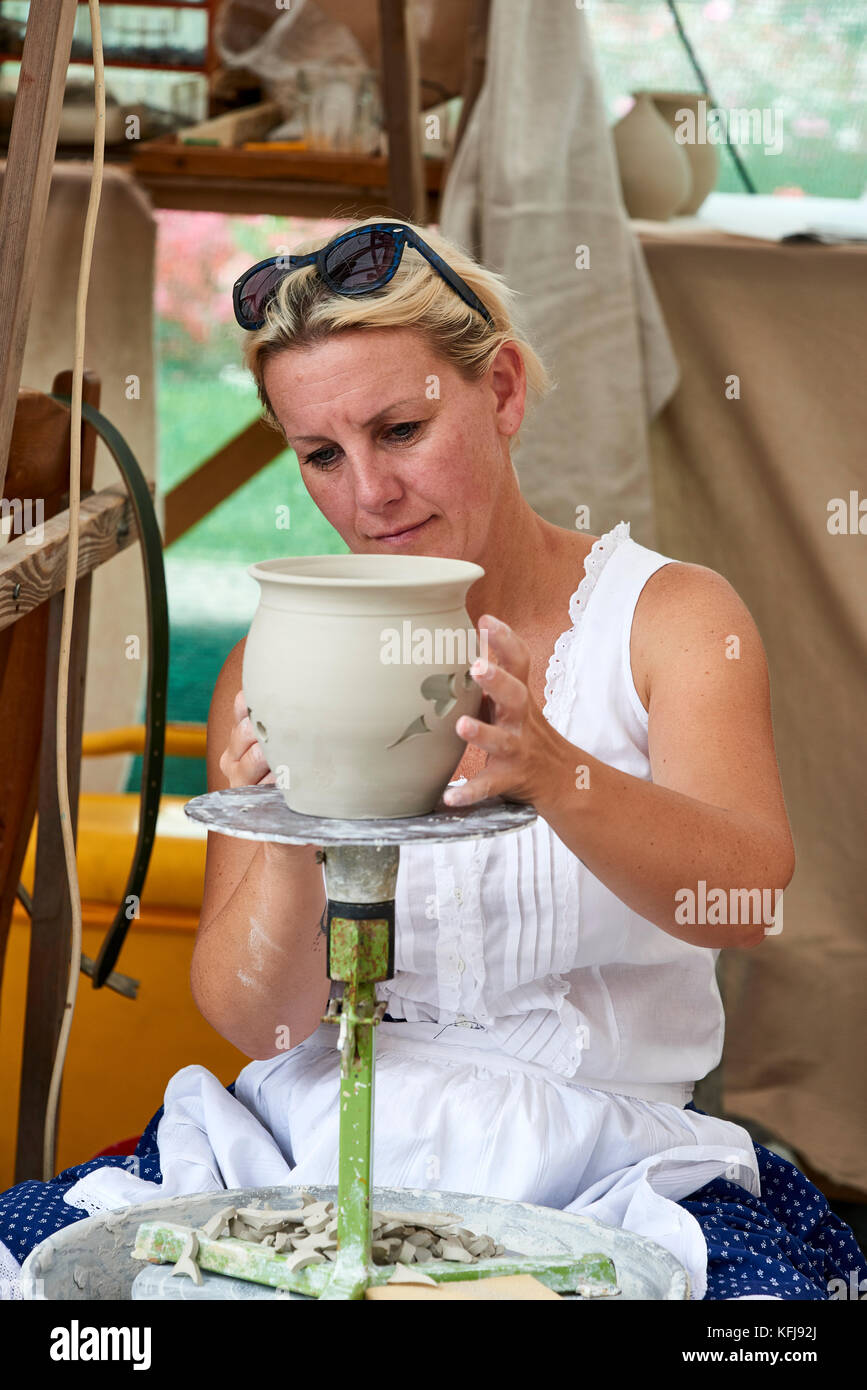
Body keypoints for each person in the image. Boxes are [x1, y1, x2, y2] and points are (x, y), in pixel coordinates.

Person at [1, 217, 863, 1303]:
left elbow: (743, 899)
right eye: (321, 453)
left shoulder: (671, 619)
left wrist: (557, 772)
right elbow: (262, 1022)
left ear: (501, 391)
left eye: (400, 429)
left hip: (604, 1167)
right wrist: (291, 840)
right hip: (309, 1152)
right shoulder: (275, 670)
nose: (368, 492)